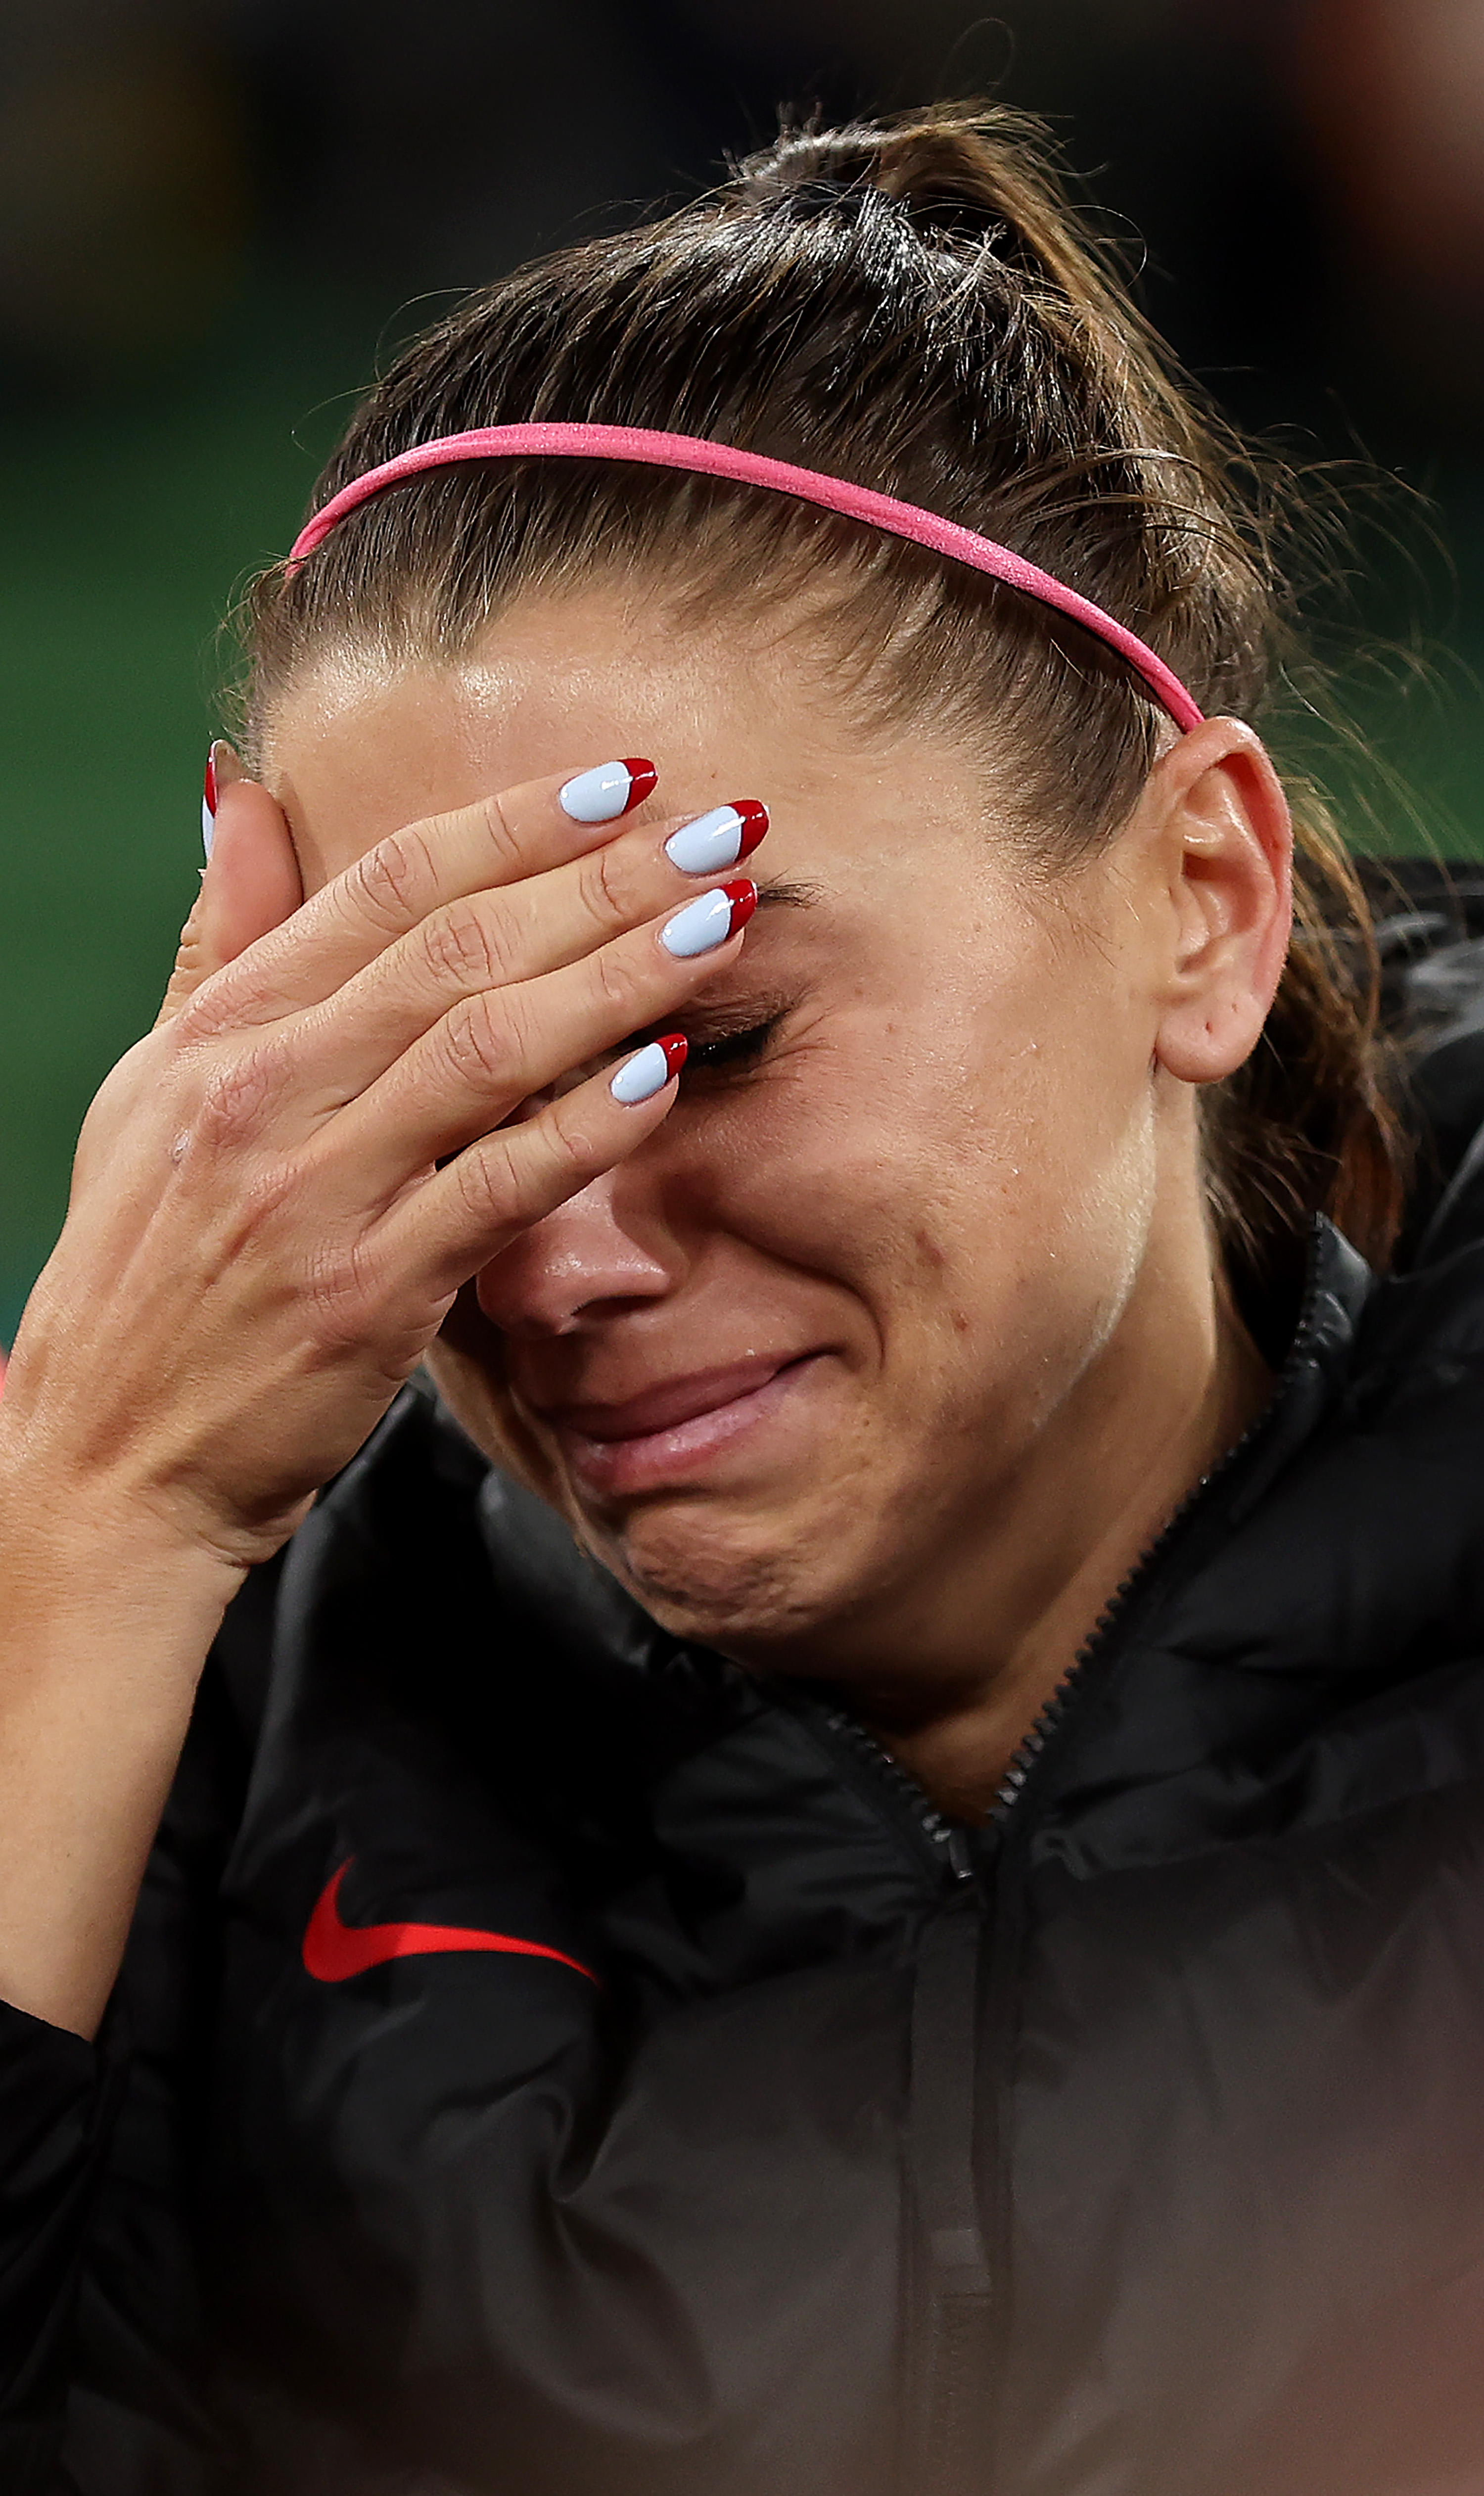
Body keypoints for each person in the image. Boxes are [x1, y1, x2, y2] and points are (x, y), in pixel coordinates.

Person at [0, 99, 1482, 2496]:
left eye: (716, 1037)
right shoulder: (175, 1716)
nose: (564, 1254)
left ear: (1197, 901)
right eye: (434, 1092)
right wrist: (81, 1527)